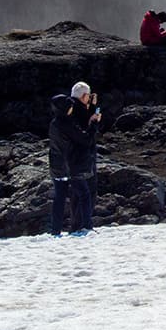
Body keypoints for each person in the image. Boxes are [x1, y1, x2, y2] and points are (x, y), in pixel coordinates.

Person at [56, 81, 101, 235]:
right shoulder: (79, 110)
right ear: (83, 96)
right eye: (88, 96)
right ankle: (82, 225)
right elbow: (87, 134)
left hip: (72, 159)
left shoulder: (69, 110)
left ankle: (78, 225)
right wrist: (94, 120)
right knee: (88, 191)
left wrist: (92, 109)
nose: (89, 99)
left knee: (77, 193)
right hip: (82, 157)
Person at [47, 92, 92, 236]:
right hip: (71, 165)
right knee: (84, 194)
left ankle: (55, 230)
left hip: (56, 165)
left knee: (59, 197)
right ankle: (87, 226)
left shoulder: (54, 123)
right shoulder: (67, 124)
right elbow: (85, 139)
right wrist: (94, 124)